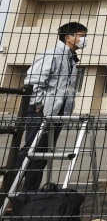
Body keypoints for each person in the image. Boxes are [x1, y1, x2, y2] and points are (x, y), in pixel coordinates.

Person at [16, 22, 88, 192]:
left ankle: (29, 193)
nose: (84, 39)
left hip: (57, 114)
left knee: (42, 155)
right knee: (30, 152)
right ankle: (11, 192)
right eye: (80, 35)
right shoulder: (53, 55)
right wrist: (39, 105)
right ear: (68, 37)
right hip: (41, 112)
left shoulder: (71, 59)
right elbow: (33, 82)